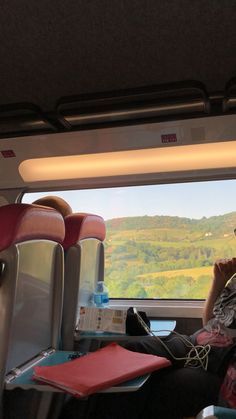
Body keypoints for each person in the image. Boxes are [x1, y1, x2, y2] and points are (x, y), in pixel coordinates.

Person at [58, 258, 236, 419]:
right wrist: (219, 281)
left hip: (221, 367)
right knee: (133, 352)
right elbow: (211, 322)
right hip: (194, 342)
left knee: (164, 384)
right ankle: (74, 409)